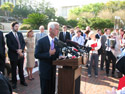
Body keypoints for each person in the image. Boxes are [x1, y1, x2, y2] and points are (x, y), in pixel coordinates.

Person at [35, 22, 60, 94]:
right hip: (44, 71)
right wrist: (48, 53)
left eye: (58, 29)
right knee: (45, 91)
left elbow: (56, 53)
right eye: (56, 29)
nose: (58, 31)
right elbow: (36, 55)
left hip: (53, 71)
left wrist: (60, 56)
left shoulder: (56, 41)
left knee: (52, 90)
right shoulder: (41, 41)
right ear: (50, 29)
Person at [6, 21, 27, 89]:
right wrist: (17, 50)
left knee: (21, 69)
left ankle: (22, 81)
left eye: (18, 26)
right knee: (14, 70)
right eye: (16, 26)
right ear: (12, 27)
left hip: (21, 55)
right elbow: (9, 45)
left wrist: (21, 50)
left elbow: (23, 43)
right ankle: (14, 83)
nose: (17, 28)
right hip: (13, 55)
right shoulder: (9, 35)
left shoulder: (20, 34)